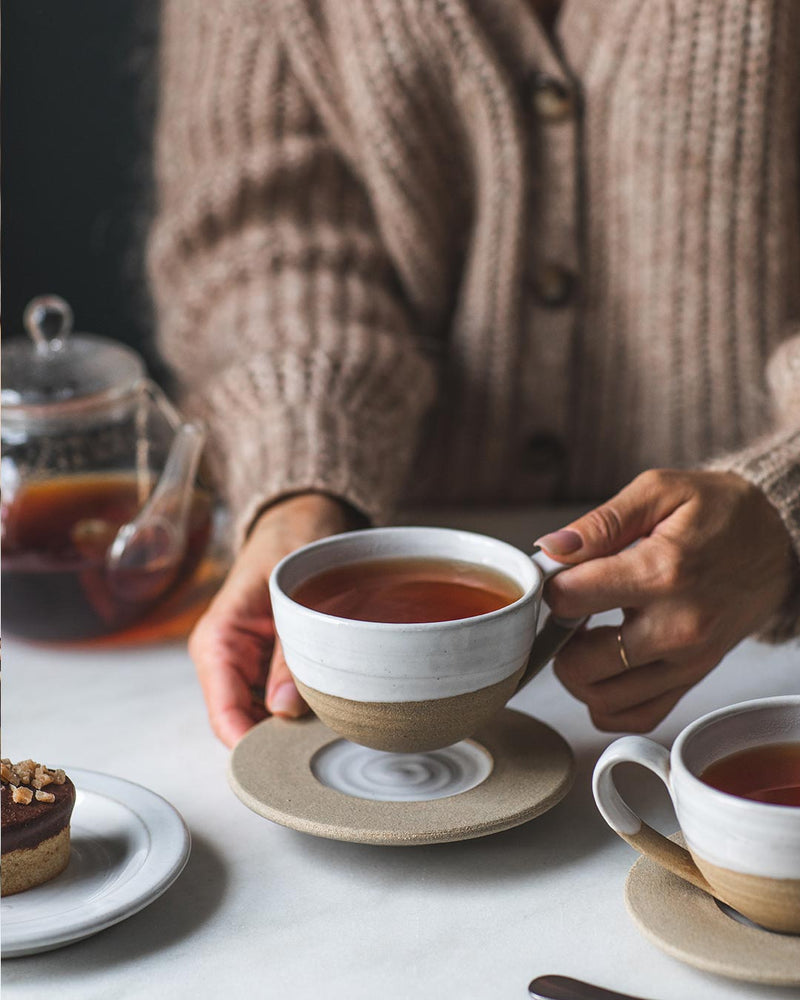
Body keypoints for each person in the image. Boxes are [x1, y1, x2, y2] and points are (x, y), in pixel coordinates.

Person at [148, 0, 800, 748]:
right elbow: (263, 224)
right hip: (382, 532)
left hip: (752, 655)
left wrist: (784, 510)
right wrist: (302, 489)